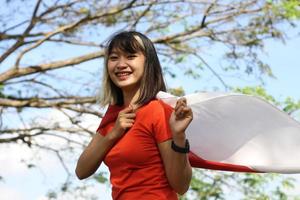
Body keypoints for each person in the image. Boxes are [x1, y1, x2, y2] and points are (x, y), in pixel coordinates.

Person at [75, 31, 193, 200]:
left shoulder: (158, 110)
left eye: (130, 56)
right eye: (114, 58)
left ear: (148, 63)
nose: (121, 64)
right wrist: (113, 135)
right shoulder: (114, 115)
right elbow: (81, 170)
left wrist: (179, 136)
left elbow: (181, 185)